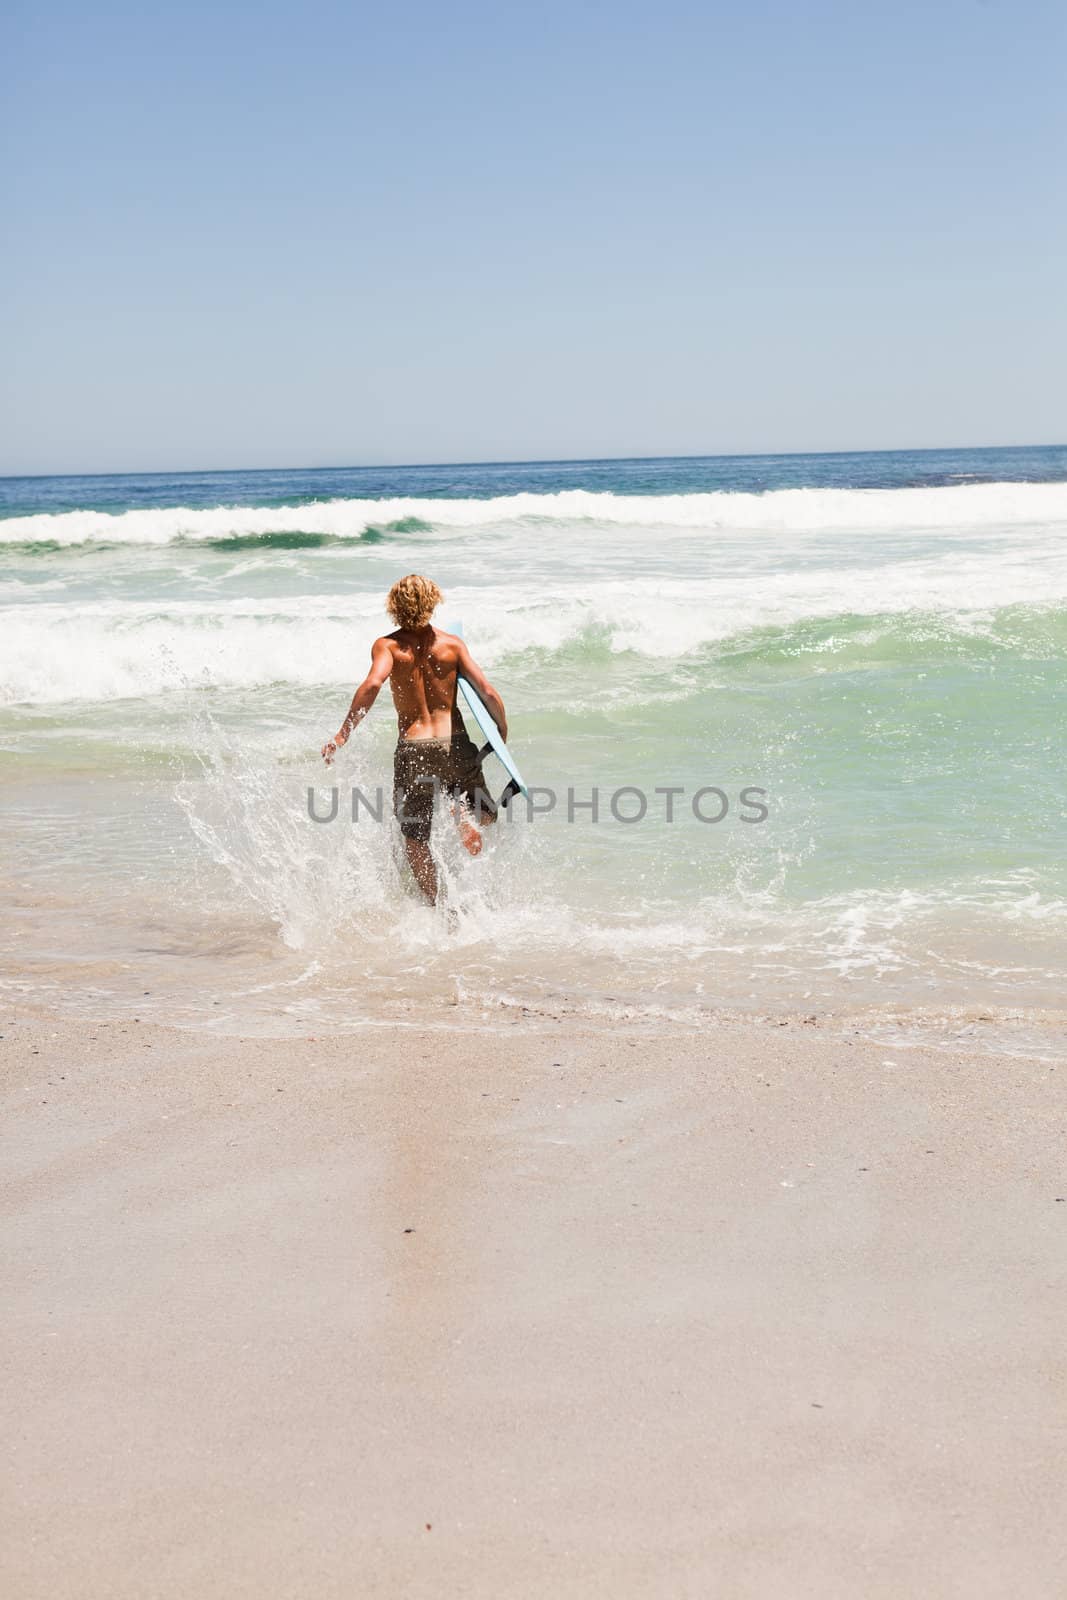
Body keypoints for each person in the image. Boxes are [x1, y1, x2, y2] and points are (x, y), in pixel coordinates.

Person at [321, 575, 507, 905]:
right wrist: (501, 729)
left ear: (395, 606)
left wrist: (341, 735)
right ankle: (462, 813)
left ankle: (437, 905)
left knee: (416, 838)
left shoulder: (388, 646)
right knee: (487, 814)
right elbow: (487, 691)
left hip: (414, 749)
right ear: (433, 601)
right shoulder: (452, 645)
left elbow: (372, 685)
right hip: (456, 742)